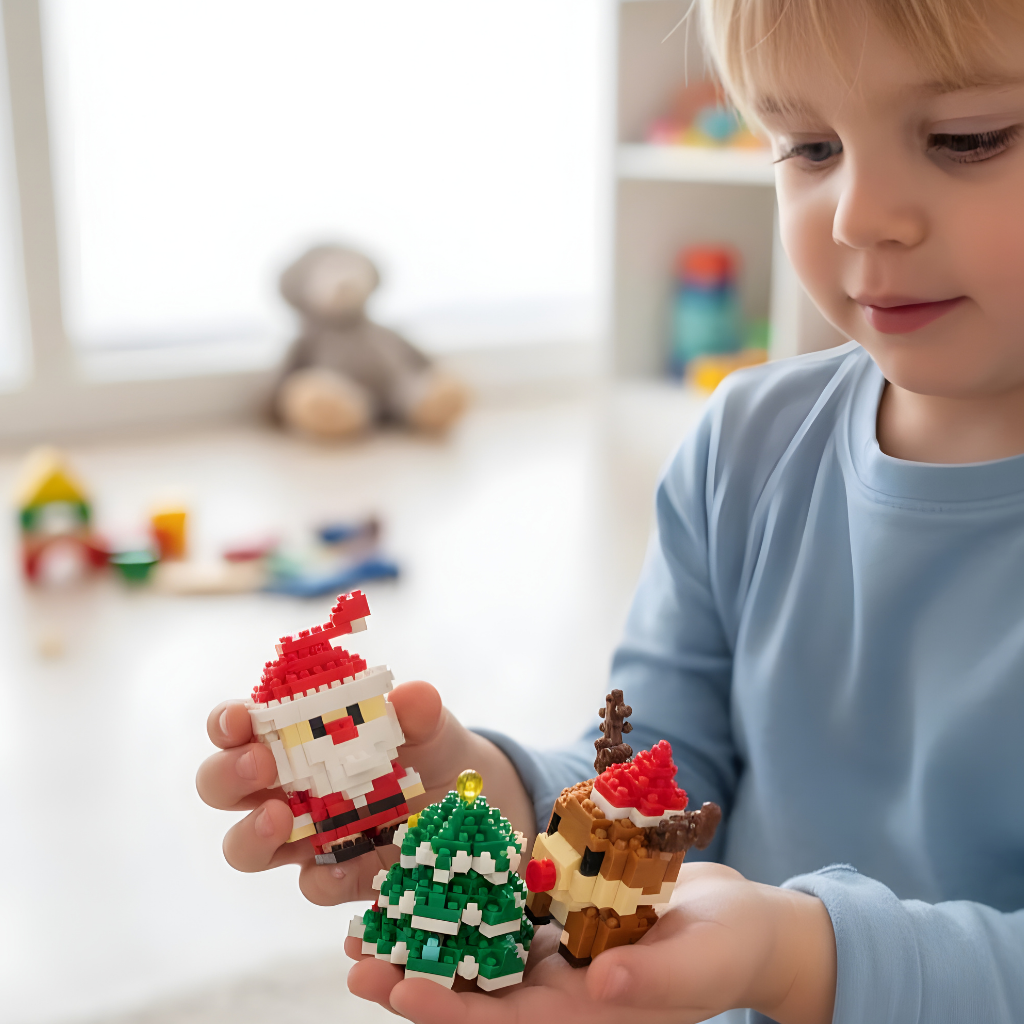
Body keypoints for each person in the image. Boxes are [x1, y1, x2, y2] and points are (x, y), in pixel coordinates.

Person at [196, 0, 1024, 1020]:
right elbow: (659, 771)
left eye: (967, 137)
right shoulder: (749, 444)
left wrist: (798, 953)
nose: (856, 215)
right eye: (809, 146)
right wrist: (482, 790)